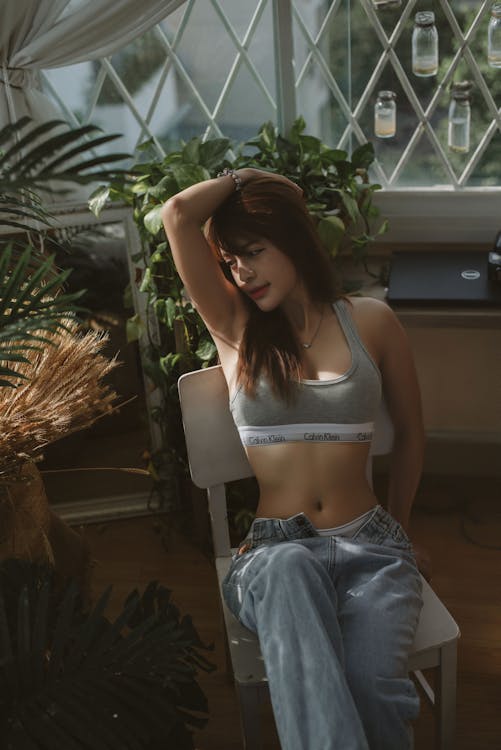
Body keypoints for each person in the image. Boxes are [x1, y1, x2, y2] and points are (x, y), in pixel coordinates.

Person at [162, 167, 427, 750]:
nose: (242, 272)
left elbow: (410, 433)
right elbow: (177, 216)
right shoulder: (235, 330)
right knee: (290, 568)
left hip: (372, 549)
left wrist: (400, 528)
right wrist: (245, 177)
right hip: (276, 551)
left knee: (374, 692)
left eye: (254, 252)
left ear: (294, 241)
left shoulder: (371, 321)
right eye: (231, 262)